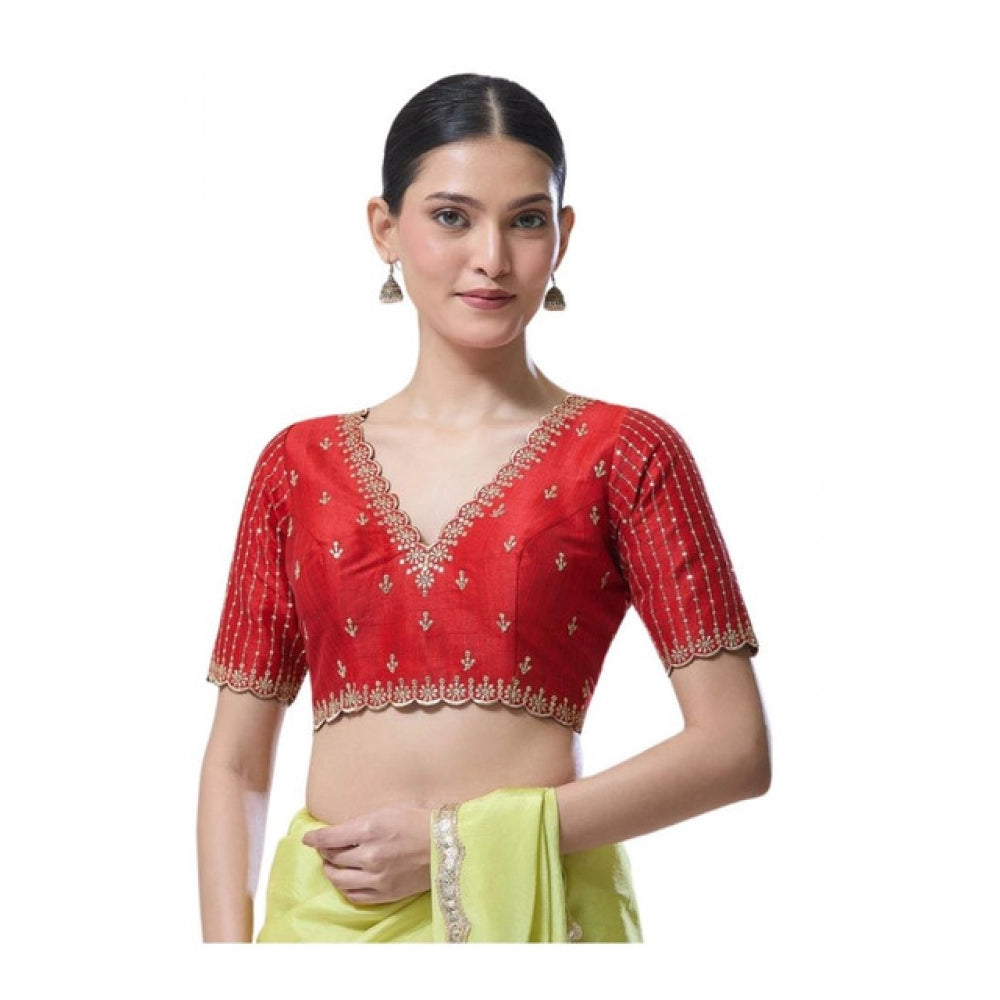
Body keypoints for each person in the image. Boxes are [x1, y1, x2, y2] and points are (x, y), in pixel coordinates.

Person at [197, 72, 770, 943]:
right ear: (385, 228)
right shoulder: (296, 467)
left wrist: (450, 846)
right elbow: (237, 763)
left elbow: (735, 749)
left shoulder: (626, 454)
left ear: (563, 235)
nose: (493, 258)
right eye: (452, 217)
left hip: (542, 921)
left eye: (527, 220)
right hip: (324, 933)